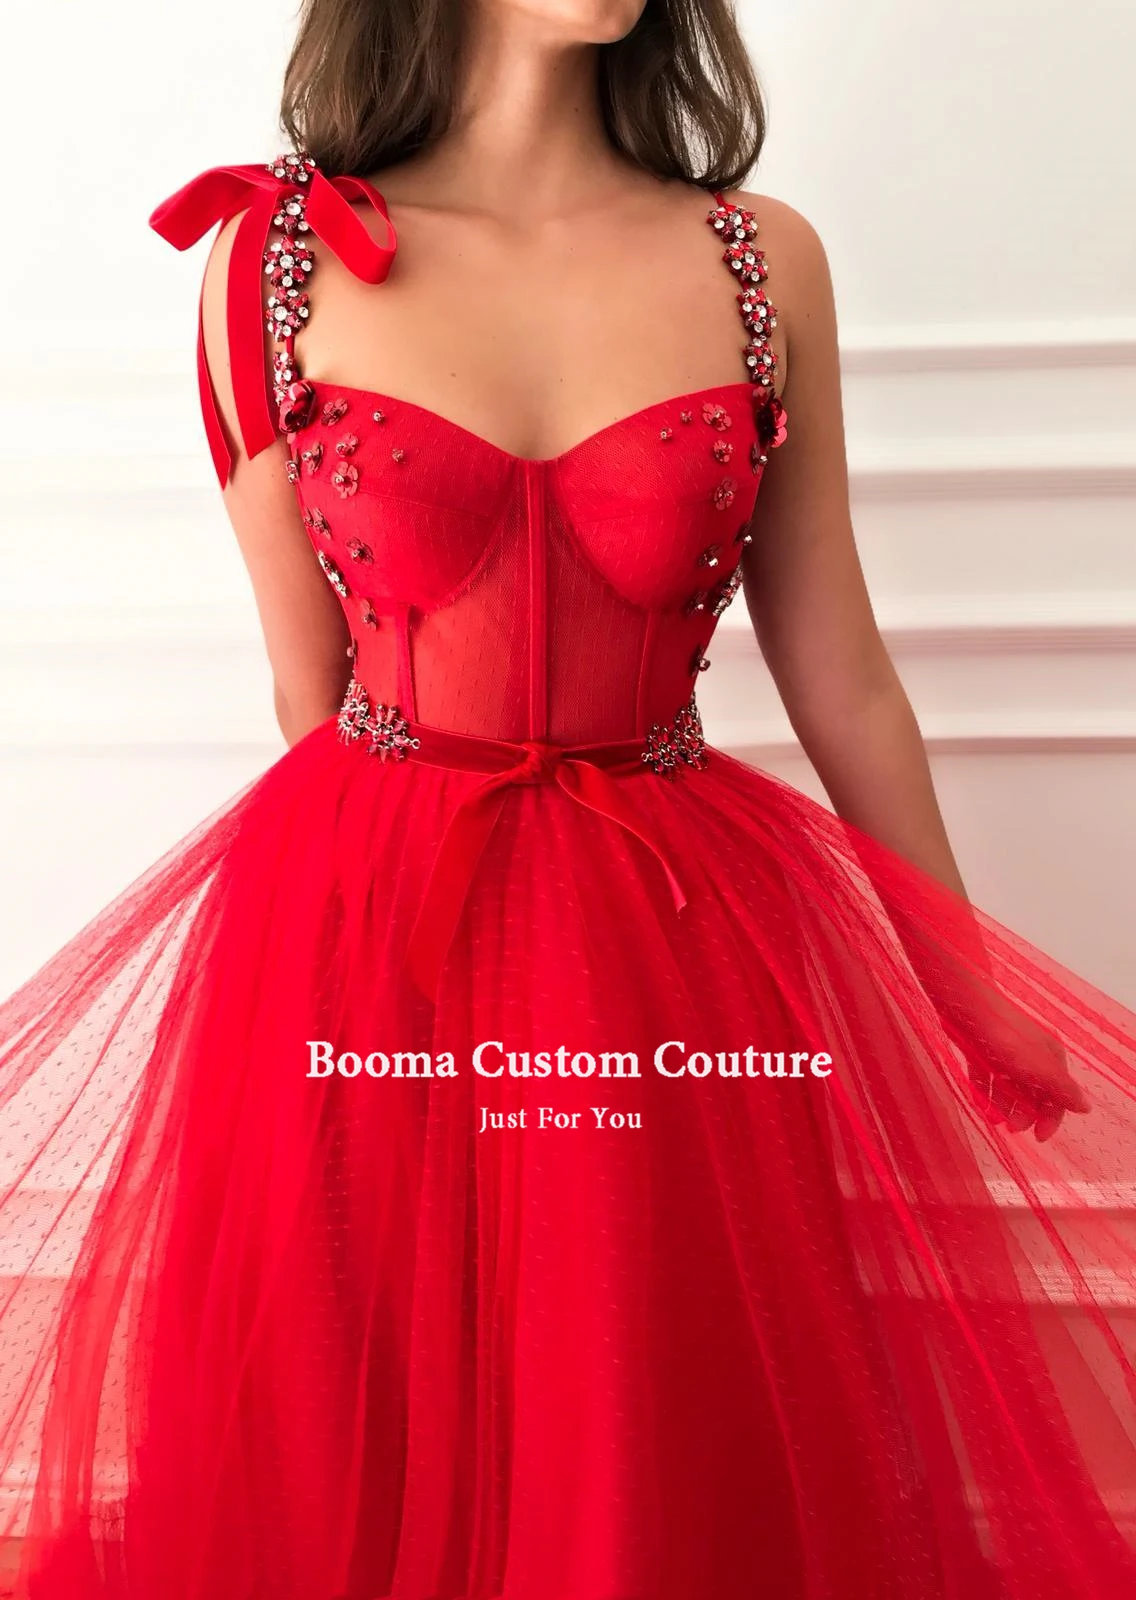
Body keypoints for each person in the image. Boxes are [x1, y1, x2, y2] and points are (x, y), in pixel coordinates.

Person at [2, 2, 1135, 1596]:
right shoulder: (269, 261)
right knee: (358, 1421)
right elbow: (304, 689)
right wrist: (355, 969)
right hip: (363, 923)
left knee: (633, 1426)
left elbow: (843, 672)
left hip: (665, 940)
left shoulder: (759, 258)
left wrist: (966, 982)